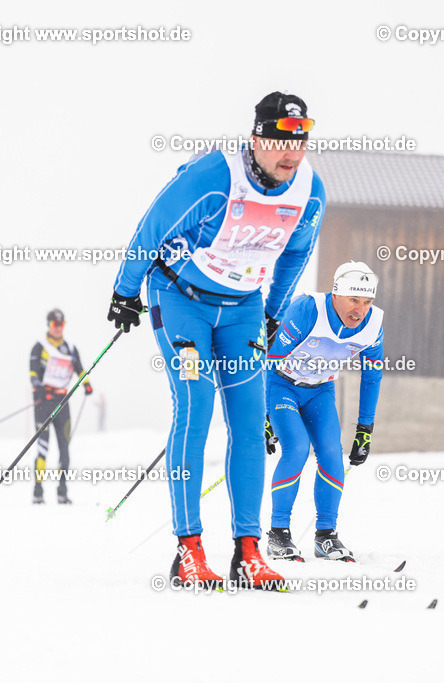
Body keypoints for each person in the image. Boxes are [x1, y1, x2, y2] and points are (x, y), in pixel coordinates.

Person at [107, 92, 326, 589]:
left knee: (251, 420)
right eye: (280, 143)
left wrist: (271, 314)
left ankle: (247, 552)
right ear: (257, 139)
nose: (291, 154)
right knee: (196, 403)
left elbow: (294, 255)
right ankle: (188, 551)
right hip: (181, 298)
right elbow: (151, 228)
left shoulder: (309, 193)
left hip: (244, 309)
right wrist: (125, 292)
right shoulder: (214, 176)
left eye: (301, 142)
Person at [264, 262, 384, 562]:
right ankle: (279, 534)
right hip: (282, 385)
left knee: (332, 453)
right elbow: (269, 360)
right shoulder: (307, 310)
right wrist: (263, 416)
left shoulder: (373, 325)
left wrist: (364, 429)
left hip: (320, 391)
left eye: (367, 301)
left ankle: (325, 536)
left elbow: (372, 376)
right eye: (353, 300)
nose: (360, 310)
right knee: (297, 448)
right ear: (335, 295)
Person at [29, 308, 92, 504]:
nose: (58, 328)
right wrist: (39, 389)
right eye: (54, 325)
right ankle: (38, 491)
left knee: (65, 449)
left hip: (62, 402)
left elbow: (80, 369)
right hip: (43, 403)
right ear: (48, 325)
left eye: (61, 325)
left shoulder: (71, 348)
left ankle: (62, 491)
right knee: (43, 448)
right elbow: (32, 374)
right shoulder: (39, 347)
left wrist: (87, 384)